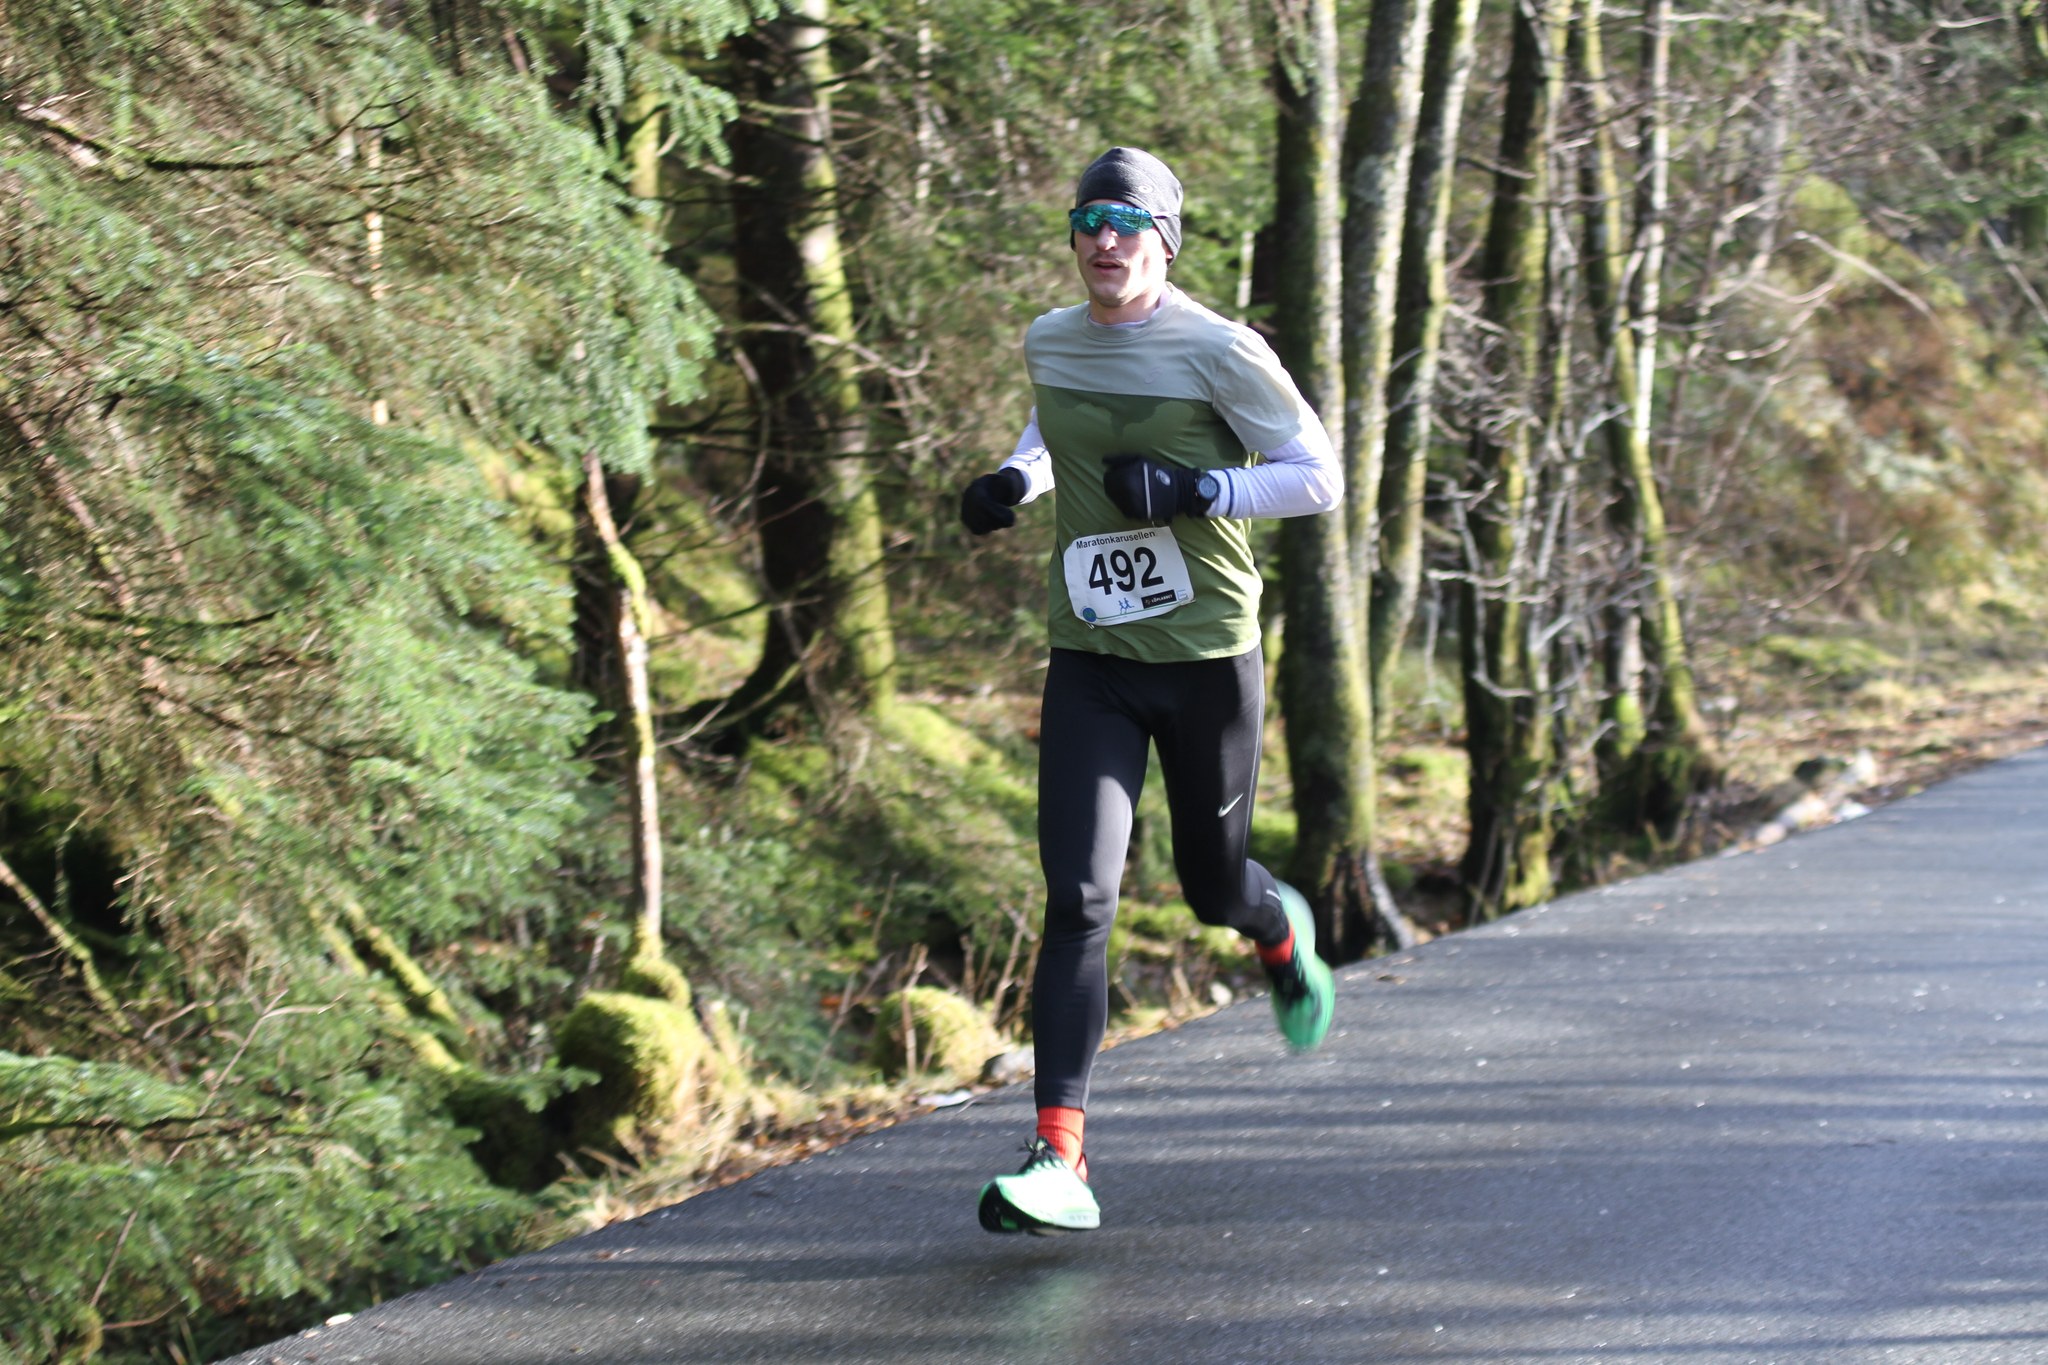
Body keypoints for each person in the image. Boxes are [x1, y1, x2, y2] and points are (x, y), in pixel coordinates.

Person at [960, 146, 1342, 1236]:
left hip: (1206, 658)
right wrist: (1016, 479)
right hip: (1091, 654)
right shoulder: (1050, 338)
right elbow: (1056, 429)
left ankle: (1277, 931)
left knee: (1211, 889)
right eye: (1088, 220)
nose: (1104, 240)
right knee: (1079, 899)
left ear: (1163, 241)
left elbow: (1316, 477)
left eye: (1127, 223)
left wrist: (1195, 488)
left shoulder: (1221, 349)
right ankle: (1059, 1155)